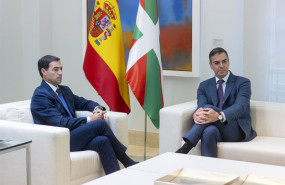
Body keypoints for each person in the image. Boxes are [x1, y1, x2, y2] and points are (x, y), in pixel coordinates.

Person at [31, 55, 137, 175]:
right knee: (99, 124)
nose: (60, 73)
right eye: (55, 69)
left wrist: (97, 109)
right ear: (43, 71)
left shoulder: (64, 90)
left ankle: (115, 179)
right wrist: (90, 119)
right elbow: (60, 122)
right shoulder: (40, 95)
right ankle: (127, 161)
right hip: (58, 141)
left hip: (72, 135)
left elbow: (84, 103)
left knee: (102, 140)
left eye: (61, 69)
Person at [176, 47, 257, 157]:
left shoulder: (243, 82)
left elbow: (240, 106)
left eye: (224, 61)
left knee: (209, 107)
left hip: (236, 128)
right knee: (209, 131)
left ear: (229, 62)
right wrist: (196, 114)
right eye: (217, 63)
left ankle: (187, 146)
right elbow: (201, 106)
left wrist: (219, 116)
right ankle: (209, 171)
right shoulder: (204, 86)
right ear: (211, 65)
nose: (221, 66)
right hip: (215, 129)